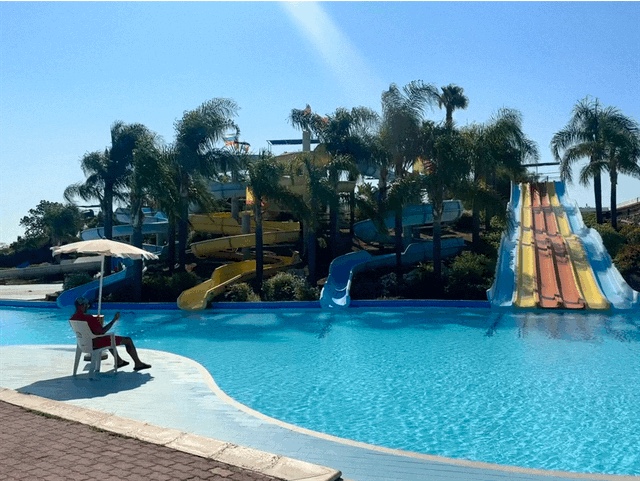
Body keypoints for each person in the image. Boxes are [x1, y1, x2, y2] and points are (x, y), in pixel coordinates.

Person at [70, 297, 151, 371]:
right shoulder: (89, 318)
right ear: (82, 305)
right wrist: (114, 320)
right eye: (86, 305)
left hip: (83, 343)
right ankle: (138, 364)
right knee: (128, 340)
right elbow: (102, 331)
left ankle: (119, 361)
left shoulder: (72, 318)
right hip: (96, 343)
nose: (87, 307)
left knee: (108, 338)